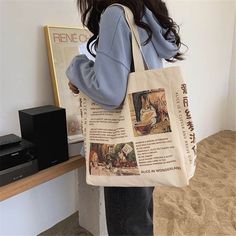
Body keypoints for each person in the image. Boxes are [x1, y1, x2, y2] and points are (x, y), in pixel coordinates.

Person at [66, 0, 185, 235]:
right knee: (139, 218)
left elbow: (109, 93)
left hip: (124, 147)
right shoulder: (146, 12)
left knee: (126, 225)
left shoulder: (116, 13)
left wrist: (77, 66)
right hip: (149, 136)